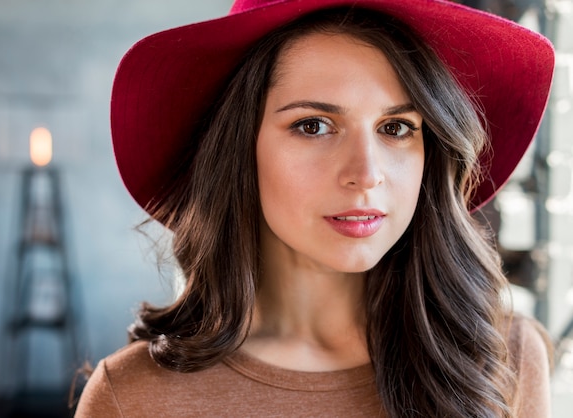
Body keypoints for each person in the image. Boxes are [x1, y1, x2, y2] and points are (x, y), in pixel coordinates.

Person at [75, 0, 555, 416]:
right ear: (240, 149)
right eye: (313, 126)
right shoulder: (134, 399)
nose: (366, 174)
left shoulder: (502, 358)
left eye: (396, 128)